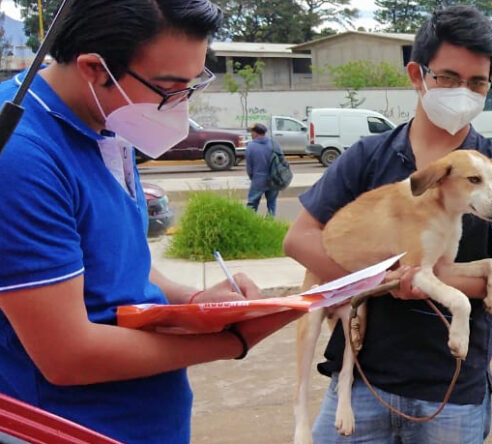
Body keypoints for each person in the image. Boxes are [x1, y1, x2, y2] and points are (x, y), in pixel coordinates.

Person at [0, 1, 301, 443]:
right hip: (67, 428)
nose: (179, 104)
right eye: (169, 88)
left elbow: (117, 259)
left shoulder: (108, 121)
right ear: (94, 68)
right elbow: (67, 355)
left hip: (145, 422)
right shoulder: (21, 155)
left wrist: (197, 301)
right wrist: (231, 342)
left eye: (191, 85)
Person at [282, 6, 492, 443]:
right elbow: (300, 240)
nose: (463, 91)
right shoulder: (368, 158)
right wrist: (382, 281)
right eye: (447, 77)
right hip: (363, 385)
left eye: (477, 82)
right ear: (417, 75)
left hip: (453, 392)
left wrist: (432, 279)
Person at [245, 122, 280, 216]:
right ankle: (270, 224)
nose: (251, 134)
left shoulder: (251, 146)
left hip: (258, 179)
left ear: (256, 133)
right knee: (272, 204)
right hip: (273, 180)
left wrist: (252, 177)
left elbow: (249, 167)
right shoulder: (274, 144)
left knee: (252, 204)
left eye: (252, 132)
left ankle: (250, 222)